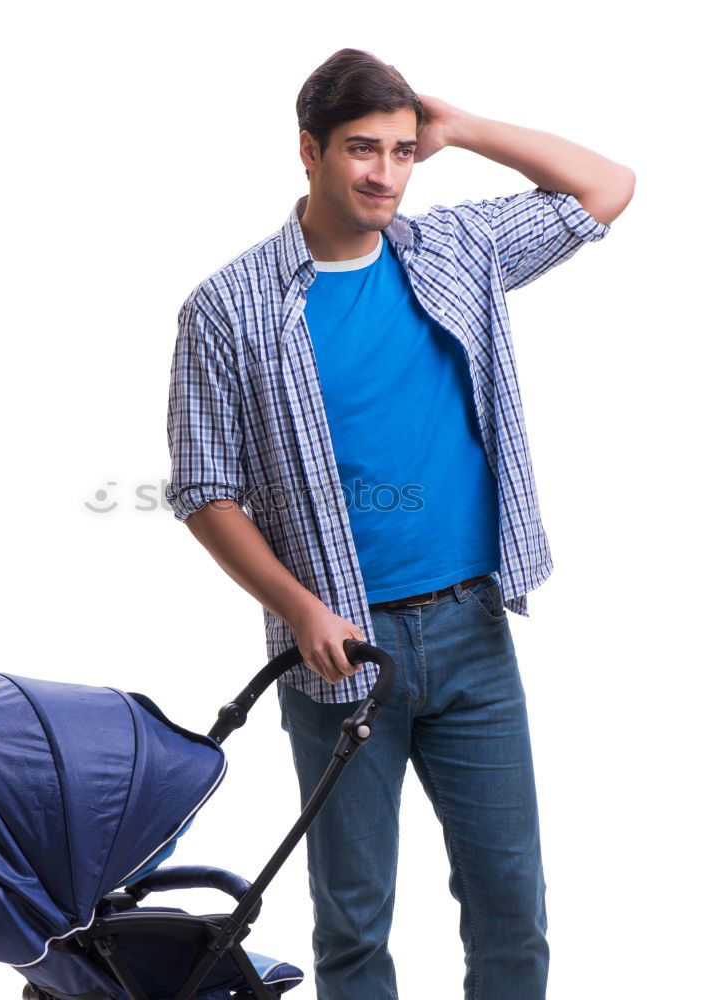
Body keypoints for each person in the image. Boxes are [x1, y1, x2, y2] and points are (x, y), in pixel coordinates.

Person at [165, 47, 634, 1000]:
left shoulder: (458, 250)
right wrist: (301, 611)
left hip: (474, 630)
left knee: (511, 903)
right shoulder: (229, 308)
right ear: (309, 151)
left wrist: (460, 128)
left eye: (404, 151)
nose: (385, 174)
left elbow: (609, 186)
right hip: (341, 655)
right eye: (361, 150)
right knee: (353, 917)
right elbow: (204, 492)